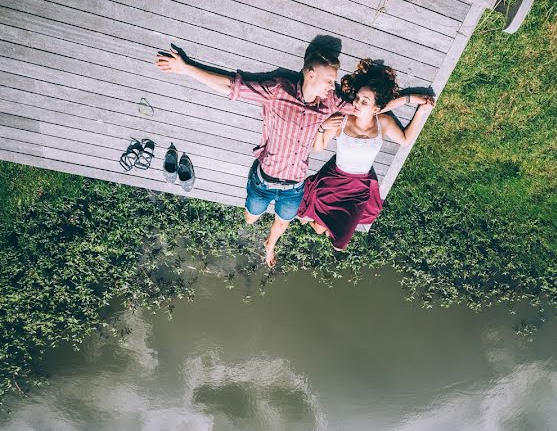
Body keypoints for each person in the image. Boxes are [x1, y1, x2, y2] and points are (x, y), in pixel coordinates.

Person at [155, 45, 427, 267]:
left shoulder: (332, 104)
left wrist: (409, 99)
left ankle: (270, 245)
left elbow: (371, 108)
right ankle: (258, 222)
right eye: (329, 80)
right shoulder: (277, 91)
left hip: (295, 187)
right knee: (251, 217)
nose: (333, 87)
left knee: (283, 221)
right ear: (310, 74)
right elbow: (232, 87)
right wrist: (186, 68)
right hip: (264, 179)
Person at [298, 58, 434, 251]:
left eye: (364, 101)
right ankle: (318, 223)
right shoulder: (343, 119)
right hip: (334, 180)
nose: (356, 103)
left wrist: (419, 109)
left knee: (340, 244)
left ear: (376, 109)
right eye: (357, 98)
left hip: (359, 188)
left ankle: (319, 223)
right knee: (327, 235)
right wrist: (322, 128)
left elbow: (404, 139)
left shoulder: (383, 123)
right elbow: (318, 148)